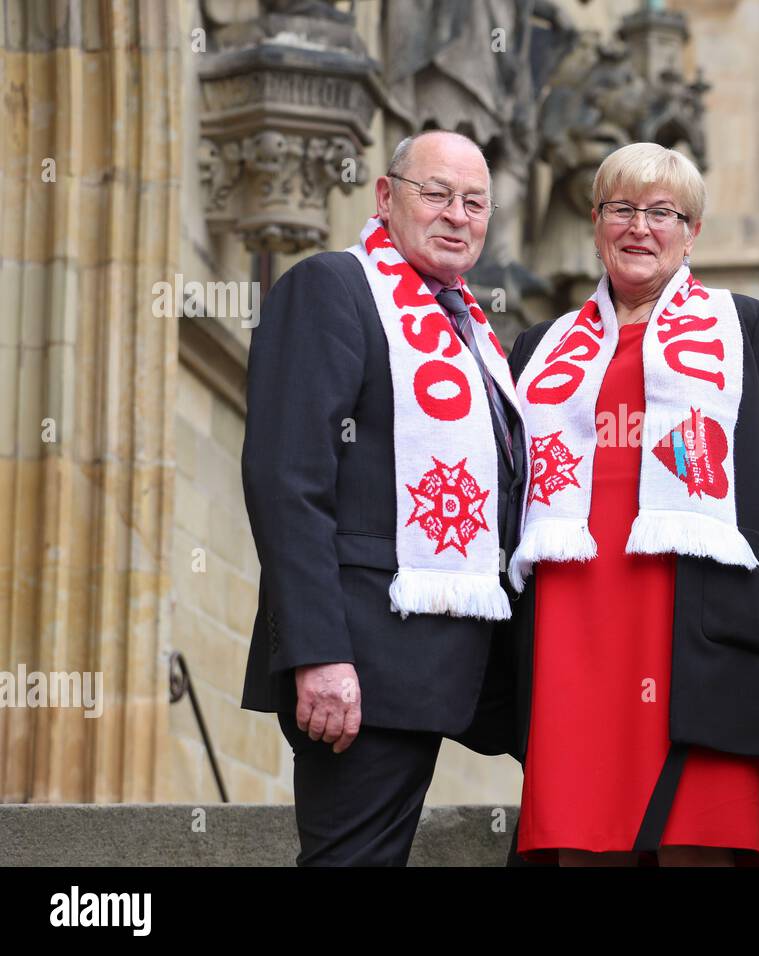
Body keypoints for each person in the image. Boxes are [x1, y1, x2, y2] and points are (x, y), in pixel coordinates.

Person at [505, 142, 759, 867]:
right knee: (582, 839)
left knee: (695, 840)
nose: (639, 227)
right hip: (573, 624)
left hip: (698, 623)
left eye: (662, 213)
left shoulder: (743, 327)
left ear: (692, 232)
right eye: (622, 209)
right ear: (596, 223)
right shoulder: (537, 345)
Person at [240, 130, 526, 866]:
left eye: (474, 202)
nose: (457, 215)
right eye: (436, 194)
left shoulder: (474, 333)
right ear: (385, 196)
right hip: (362, 661)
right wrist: (319, 654)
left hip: (472, 650)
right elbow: (287, 480)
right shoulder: (332, 287)